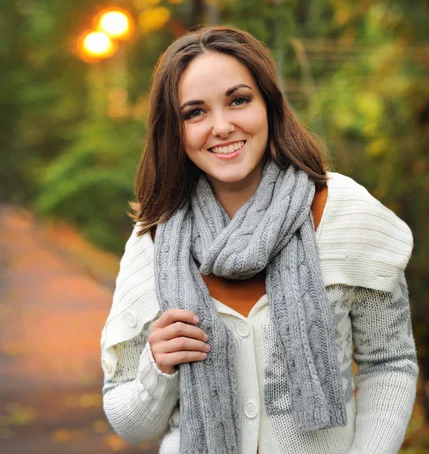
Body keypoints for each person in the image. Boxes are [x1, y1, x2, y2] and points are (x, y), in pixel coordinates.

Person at [101, 26, 418, 454]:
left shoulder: (345, 215)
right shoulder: (153, 240)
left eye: (238, 100)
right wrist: (157, 368)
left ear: (269, 103)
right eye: (195, 112)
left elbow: (390, 363)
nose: (222, 126)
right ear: (173, 130)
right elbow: (129, 422)